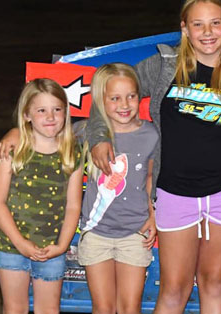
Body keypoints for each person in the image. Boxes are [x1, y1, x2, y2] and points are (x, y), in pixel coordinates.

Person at [86, 0, 221, 313]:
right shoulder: (164, 66)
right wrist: (99, 135)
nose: (207, 32)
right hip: (174, 195)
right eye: (198, 24)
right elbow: (109, 90)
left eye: (215, 23)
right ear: (184, 28)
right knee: (175, 289)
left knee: (215, 284)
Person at [0, 78, 84, 314]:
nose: (50, 117)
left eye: (57, 109)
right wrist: (20, 243)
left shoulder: (72, 152)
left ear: (66, 112)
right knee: (14, 308)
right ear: (27, 115)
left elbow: (73, 206)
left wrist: (61, 245)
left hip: (52, 248)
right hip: (11, 245)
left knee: (49, 309)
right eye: (41, 110)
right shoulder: (13, 150)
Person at [77, 63, 159, 314]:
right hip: (96, 233)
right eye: (115, 98)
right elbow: (47, 134)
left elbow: (151, 178)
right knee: (102, 308)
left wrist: (154, 215)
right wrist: (15, 133)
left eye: (131, 96)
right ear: (100, 100)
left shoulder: (151, 135)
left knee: (130, 308)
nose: (124, 105)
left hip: (135, 233)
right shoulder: (85, 132)